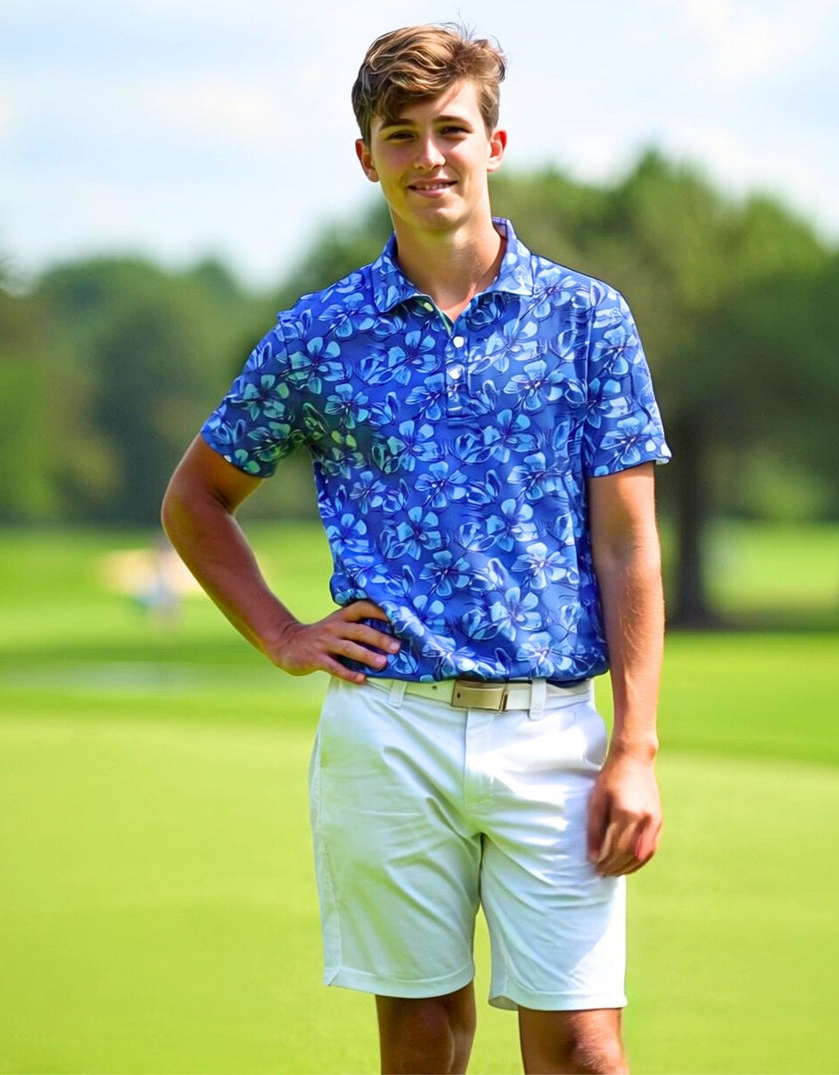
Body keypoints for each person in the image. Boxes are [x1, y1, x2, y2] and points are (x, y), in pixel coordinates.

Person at [162, 22, 671, 1075]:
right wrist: (282, 634)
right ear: (366, 157)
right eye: (401, 135)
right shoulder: (319, 333)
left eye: (449, 129)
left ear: (492, 141)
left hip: (552, 737)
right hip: (386, 732)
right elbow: (197, 498)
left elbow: (627, 547)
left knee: (583, 1049)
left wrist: (634, 745)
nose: (427, 157)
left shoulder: (588, 320)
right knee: (422, 1041)